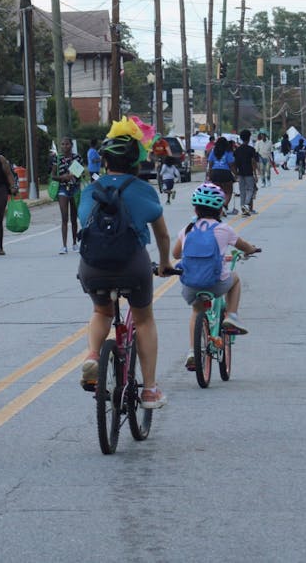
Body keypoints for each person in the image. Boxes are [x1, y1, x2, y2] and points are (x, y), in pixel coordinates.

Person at [78, 116, 172, 409]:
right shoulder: (143, 190)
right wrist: (165, 263)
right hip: (132, 265)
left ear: (105, 162)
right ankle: (150, 391)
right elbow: (163, 236)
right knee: (143, 320)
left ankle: (93, 355)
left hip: (93, 266)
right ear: (137, 162)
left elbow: (82, 223)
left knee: (101, 311)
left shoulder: (90, 191)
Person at [171, 182, 259, 371]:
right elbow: (243, 246)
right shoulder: (224, 229)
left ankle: (193, 352)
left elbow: (176, 254)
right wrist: (251, 249)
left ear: (195, 208)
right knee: (234, 279)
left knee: (196, 311)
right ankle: (232, 316)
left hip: (191, 285)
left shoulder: (187, 229)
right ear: (220, 208)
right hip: (215, 283)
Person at [51, 136, 84, 254]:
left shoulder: (77, 157)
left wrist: (74, 174)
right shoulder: (57, 158)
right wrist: (62, 178)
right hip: (62, 189)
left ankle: (74, 243)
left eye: (67, 144)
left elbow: (80, 173)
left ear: (71, 145)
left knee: (74, 218)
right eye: (63, 144)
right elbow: (53, 175)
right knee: (64, 217)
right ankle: (64, 245)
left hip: (74, 188)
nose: (65, 146)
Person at [206, 136, 237, 215]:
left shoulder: (213, 151)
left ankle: (218, 208)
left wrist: (209, 175)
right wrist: (236, 174)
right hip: (225, 173)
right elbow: (231, 164)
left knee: (216, 192)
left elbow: (210, 164)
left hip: (215, 173)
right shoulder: (228, 152)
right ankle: (224, 206)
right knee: (228, 192)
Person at [233, 129, 259, 215]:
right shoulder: (251, 149)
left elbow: (235, 162)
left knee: (242, 190)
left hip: (240, 173)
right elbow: (253, 162)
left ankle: (243, 207)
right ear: (249, 138)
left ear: (241, 138)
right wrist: (255, 174)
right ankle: (247, 205)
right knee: (251, 189)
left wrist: (236, 173)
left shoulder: (237, 150)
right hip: (249, 173)